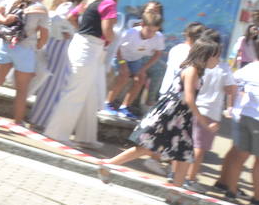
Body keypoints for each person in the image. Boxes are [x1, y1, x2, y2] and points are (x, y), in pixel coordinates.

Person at [99, 38, 221, 191]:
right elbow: (189, 98)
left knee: (183, 154)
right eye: (216, 56)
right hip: (171, 115)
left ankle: (175, 192)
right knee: (148, 147)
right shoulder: (192, 71)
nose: (218, 60)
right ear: (205, 55)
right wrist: (204, 123)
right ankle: (108, 164)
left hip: (181, 117)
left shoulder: (196, 71)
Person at [43, 0, 127, 148]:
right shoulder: (109, 3)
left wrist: (83, 30)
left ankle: (86, 137)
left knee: (89, 94)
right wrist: (115, 40)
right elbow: (108, 32)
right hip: (91, 48)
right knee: (76, 92)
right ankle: (57, 133)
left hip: (83, 44)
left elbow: (71, 17)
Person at [27, 0, 88, 131]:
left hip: (57, 45)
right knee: (52, 85)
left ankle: (40, 119)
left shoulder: (64, 4)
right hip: (60, 47)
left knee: (53, 84)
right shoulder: (69, 7)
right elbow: (58, 21)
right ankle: (38, 120)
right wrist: (68, 31)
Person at [184, 29, 235, 191]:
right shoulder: (223, 67)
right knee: (200, 147)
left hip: (193, 109)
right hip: (210, 112)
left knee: (188, 143)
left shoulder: (197, 66)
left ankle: (179, 174)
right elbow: (231, 89)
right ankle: (190, 178)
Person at [214, 31, 259, 204]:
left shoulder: (248, 69)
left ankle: (231, 192)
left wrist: (232, 106)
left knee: (239, 156)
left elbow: (232, 85)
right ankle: (257, 198)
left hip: (244, 116)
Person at [104, 10, 165, 119]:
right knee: (124, 76)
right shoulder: (130, 33)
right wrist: (123, 65)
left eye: (154, 31)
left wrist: (143, 69)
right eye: (149, 30)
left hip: (136, 59)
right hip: (120, 57)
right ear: (142, 24)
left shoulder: (159, 37)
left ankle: (124, 107)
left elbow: (158, 54)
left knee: (141, 78)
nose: (151, 34)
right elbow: (117, 49)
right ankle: (107, 103)